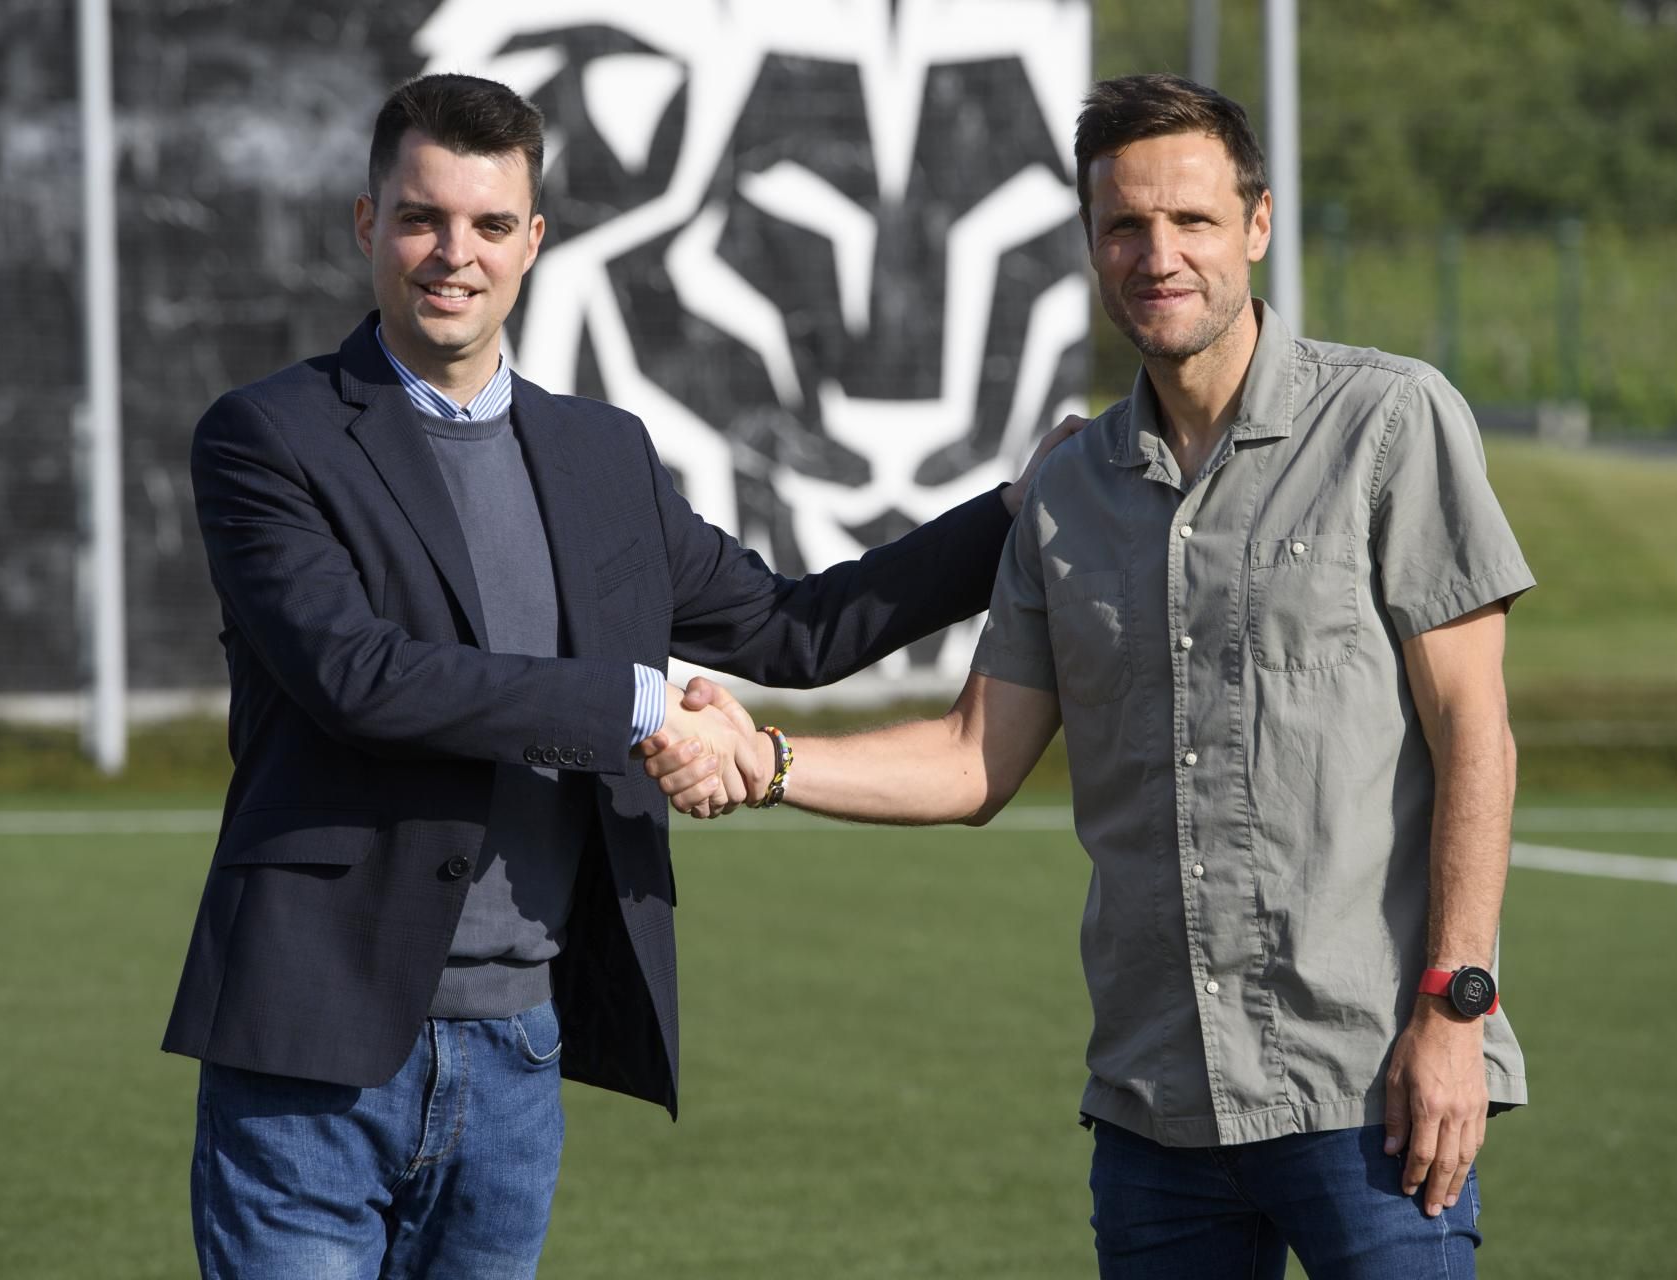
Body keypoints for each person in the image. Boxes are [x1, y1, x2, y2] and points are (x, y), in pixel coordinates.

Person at [162, 72, 1076, 1279]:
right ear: (365, 224)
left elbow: (792, 629)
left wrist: (1009, 513)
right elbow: (361, 676)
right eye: (423, 217)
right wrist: (640, 702)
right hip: (311, 1054)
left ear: (533, 241)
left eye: (491, 225)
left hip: (518, 1057)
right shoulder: (265, 435)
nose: (455, 254)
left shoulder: (603, 452)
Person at [644, 73, 1534, 1280]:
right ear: (1091, 243)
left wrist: (1455, 1010)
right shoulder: (1064, 492)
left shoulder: (1390, 423)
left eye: (1192, 221)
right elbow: (972, 758)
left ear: (1257, 226)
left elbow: (1474, 726)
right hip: (1155, 1113)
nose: (1156, 254)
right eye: (1125, 226)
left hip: (1369, 1090)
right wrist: (770, 758)